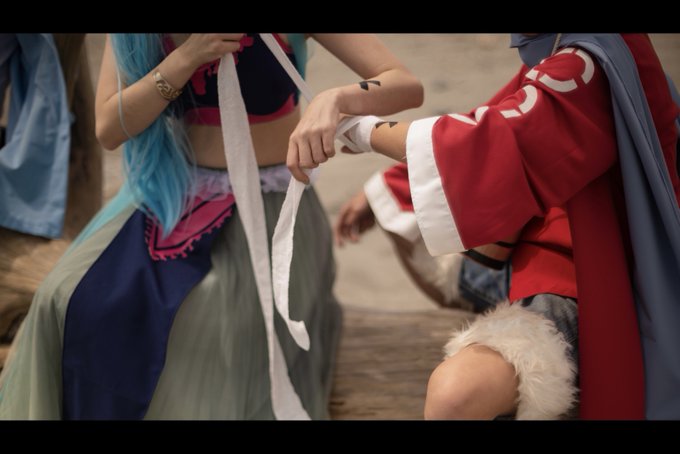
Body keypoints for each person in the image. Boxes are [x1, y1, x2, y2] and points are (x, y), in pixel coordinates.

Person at [0, 33, 423, 419]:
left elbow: (405, 83)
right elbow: (109, 129)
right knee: (63, 298)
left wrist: (336, 99)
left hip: (275, 209)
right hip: (172, 195)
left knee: (211, 320)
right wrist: (187, 56)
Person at [312, 34, 680, 419]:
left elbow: (488, 138)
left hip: (586, 282)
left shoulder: (588, 64)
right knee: (395, 211)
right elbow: (497, 113)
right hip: (523, 256)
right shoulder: (572, 48)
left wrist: (361, 130)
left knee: (455, 394)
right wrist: (384, 189)